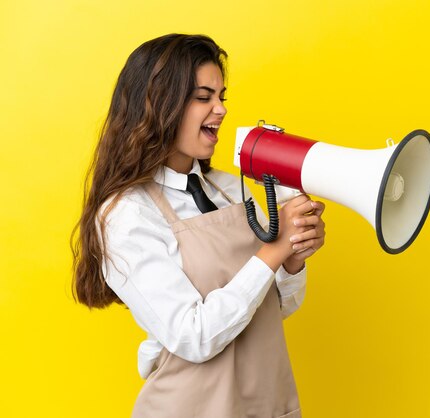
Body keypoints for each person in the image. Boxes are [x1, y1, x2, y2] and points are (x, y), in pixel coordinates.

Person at [71, 33, 326, 418]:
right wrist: (274, 251)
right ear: (158, 105)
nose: (221, 109)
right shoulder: (126, 214)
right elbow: (194, 335)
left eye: (222, 97)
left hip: (266, 404)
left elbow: (274, 308)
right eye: (203, 97)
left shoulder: (229, 189)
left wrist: (292, 260)